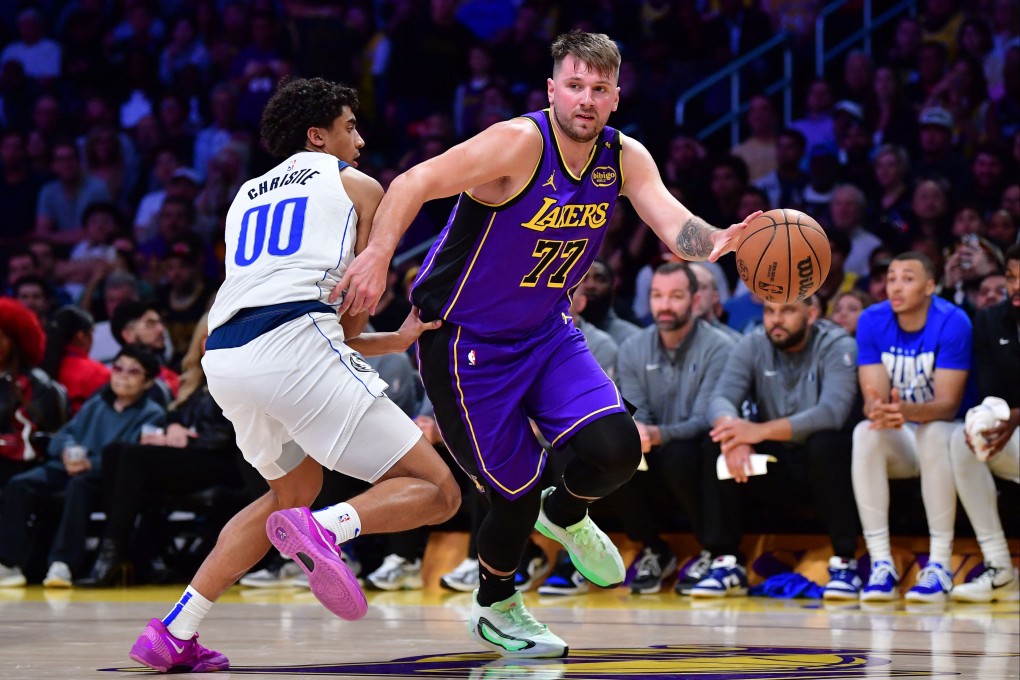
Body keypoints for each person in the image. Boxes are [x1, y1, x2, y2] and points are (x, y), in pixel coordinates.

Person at [334, 31, 757, 658]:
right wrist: (376, 255)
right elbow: (412, 182)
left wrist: (723, 239)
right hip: (463, 340)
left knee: (614, 449)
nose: (587, 99)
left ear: (616, 96)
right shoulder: (517, 144)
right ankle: (497, 604)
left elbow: (674, 225)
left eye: (600, 89)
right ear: (553, 90)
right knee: (513, 491)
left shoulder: (625, 155)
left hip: (545, 331)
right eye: (576, 86)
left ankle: (567, 512)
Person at [127, 77, 460, 674]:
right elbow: (355, 315)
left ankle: (176, 631)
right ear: (318, 136)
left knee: (288, 493)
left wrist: (398, 341)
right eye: (349, 126)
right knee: (439, 492)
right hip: (294, 340)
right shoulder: (357, 184)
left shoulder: (244, 196)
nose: (359, 137)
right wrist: (399, 330)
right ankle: (327, 528)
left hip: (224, 355)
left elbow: (303, 309)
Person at [696, 297, 862, 600]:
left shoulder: (838, 345)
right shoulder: (753, 343)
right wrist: (735, 434)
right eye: (770, 311)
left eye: (787, 311)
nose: (776, 320)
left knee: (825, 444)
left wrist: (756, 431)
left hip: (826, 462)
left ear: (811, 313)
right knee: (714, 444)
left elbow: (832, 412)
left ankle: (845, 563)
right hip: (777, 461)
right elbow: (719, 399)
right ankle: (726, 562)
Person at [852, 252, 972, 603]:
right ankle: (881, 565)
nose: (896, 286)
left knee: (932, 431)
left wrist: (903, 410)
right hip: (904, 433)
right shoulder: (872, 320)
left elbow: (948, 405)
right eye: (891, 278)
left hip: (951, 436)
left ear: (930, 286)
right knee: (864, 432)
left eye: (908, 278)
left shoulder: (953, 321)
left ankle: (939, 565)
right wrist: (882, 411)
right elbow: (872, 399)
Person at [613, 263, 735, 595]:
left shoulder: (721, 347)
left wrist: (658, 435)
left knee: (685, 453)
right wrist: (637, 430)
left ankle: (712, 550)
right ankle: (654, 548)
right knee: (611, 451)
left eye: (676, 296)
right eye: (657, 296)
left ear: (695, 300)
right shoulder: (632, 349)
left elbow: (706, 416)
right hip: (656, 445)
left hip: (698, 446)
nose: (665, 305)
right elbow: (637, 409)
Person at [0, 344, 165, 588]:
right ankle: (8, 564)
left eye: (133, 372)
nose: (122, 376)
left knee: (80, 485)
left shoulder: (152, 414)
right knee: (19, 484)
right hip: (66, 467)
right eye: (118, 368)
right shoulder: (96, 403)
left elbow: (131, 458)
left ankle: (63, 563)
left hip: (103, 478)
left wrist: (91, 463)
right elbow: (64, 435)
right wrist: (67, 451)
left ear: (148, 382)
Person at [948, 243, 1020, 602]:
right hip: (1013, 432)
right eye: (1011, 276)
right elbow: (992, 391)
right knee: (963, 441)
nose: (1016, 285)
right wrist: (991, 424)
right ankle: (1000, 568)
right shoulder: (991, 320)